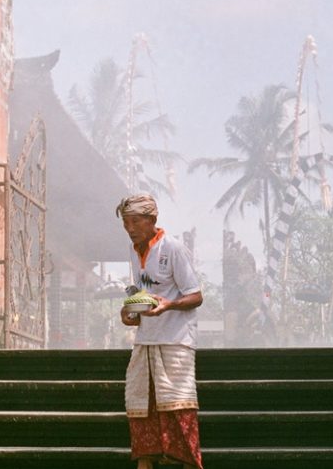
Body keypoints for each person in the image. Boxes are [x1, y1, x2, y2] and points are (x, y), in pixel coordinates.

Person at [117, 194, 204, 469]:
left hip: (176, 341)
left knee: (179, 407)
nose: (130, 228)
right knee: (141, 403)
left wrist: (169, 305)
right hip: (146, 338)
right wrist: (129, 310)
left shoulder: (173, 248)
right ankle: (145, 463)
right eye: (125, 223)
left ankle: (189, 463)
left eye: (135, 222)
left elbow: (196, 295)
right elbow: (141, 291)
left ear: (151, 220)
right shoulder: (133, 250)